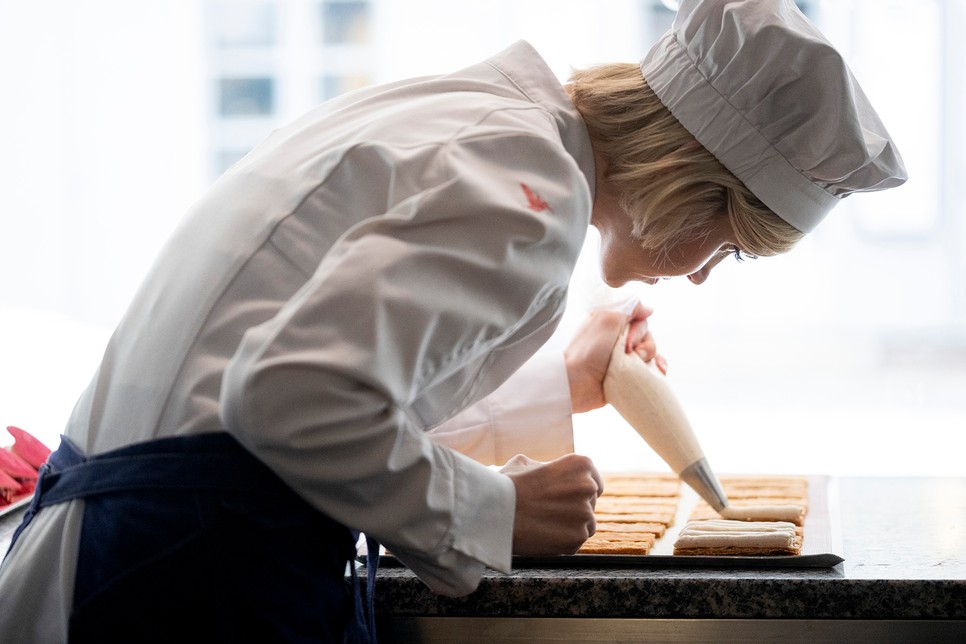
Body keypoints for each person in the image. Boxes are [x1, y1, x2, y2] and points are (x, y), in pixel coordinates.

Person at [0, 0, 905, 641]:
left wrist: (563, 383)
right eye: (733, 246)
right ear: (688, 187)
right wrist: (496, 510)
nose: (706, 276)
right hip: (182, 573)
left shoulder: (490, 119)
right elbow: (286, 400)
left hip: (155, 542)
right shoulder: (536, 195)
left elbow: (323, 387)